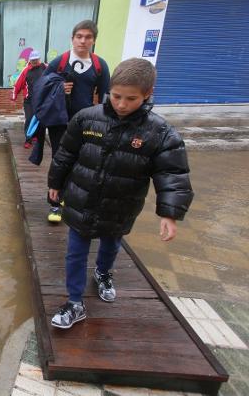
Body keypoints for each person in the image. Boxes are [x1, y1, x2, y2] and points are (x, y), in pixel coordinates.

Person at [47, 58, 194, 329]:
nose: (122, 104)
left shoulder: (160, 133)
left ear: (148, 94)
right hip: (82, 198)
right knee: (75, 251)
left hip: (121, 205)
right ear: (109, 90)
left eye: (131, 98)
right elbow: (65, 154)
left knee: (111, 244)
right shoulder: (87, 118)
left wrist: (169, 214)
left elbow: (172, 173)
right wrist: (55, 183)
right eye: (116, 96)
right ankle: (75, 301)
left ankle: (103, 273)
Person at [43, 20, 110, 222]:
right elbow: (42, 87)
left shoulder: (100, 65)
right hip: (60, 121)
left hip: (86, 123)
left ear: (94, 40)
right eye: (79, 36)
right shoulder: (59, 62)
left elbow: (107, 95)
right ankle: (54, 204)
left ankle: (70, 198)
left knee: (83, 161)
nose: (83, 41)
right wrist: (58, 89)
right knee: (59, 159)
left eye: (88, 37)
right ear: (72, 38)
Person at [11, 50, 46, 148]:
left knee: (39, 119)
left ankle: (35, 135)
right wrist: (13, 97)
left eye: (36, 59)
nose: (34, 61)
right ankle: (28, 140)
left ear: (39, 59)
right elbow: (18, 84)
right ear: (29, 60)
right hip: (29, 101)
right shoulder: (26, 71)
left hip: (41, 100)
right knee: (30, 119)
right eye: (32, 60)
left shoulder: (45, 68)